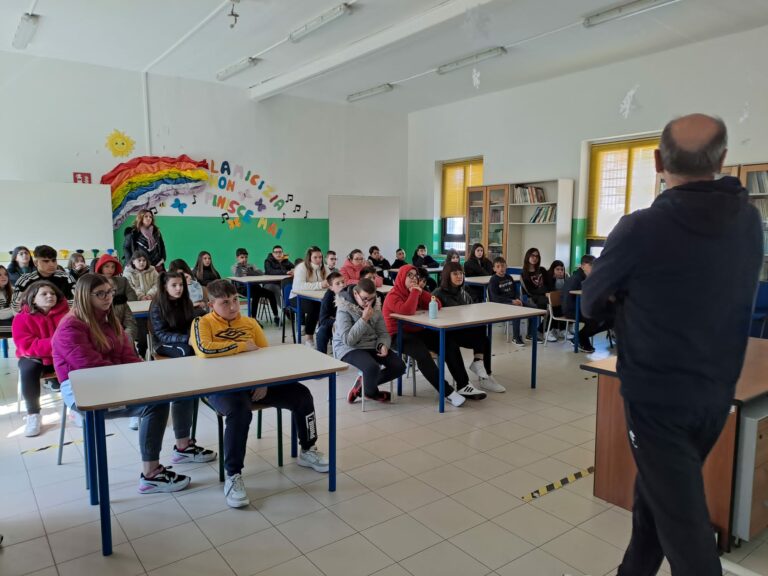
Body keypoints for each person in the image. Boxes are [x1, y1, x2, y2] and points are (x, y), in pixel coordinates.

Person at [582, 114, 763, 576]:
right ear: (722, 160)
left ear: (658, 161)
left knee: (687, 536)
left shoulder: (640, 228)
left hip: (658, 402)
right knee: (656, 502)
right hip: (715, 395)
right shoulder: (749, 219)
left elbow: (588, 303)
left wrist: (626, 301)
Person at [190, 279, 329, 508]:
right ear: (211, 304)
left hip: (256, 384)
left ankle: (308, 448)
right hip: (221, 386)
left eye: (235, 300)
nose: (233, 307)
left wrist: (265, 381)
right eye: (225, 303)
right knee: (239, 412)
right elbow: (205, 350)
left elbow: (266, 356)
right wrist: (241, 347)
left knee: (302, 394)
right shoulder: (201, 323)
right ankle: (233, 475)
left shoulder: (250, 323)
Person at [52, 274, 192, 493]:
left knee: (164, 396)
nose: (107, 298)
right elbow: (90, 367)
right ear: (83, 295)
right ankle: (151, 474)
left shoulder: (108, 320)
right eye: (100, 294)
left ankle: (174, 454)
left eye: (109, 292)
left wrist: (141, 374)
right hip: (80, 389)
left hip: (112, 379)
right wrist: (129, 379)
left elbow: (128, 355)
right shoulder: (70, 326)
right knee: (153, 405)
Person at [382, 264, 486, 407]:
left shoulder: (416, 290)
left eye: (415, 275)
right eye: (409, 275)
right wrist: (414, 293)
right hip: (397, 335)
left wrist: (420, 292)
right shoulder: (393, 295)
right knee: (422, 354)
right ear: (401, 278)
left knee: (448, 343)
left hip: (417, 330)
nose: (413, 279)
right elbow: (408, 310)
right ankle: (447, 392)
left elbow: (436, 303)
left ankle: (463, 385)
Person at [149, 271, 217, 464]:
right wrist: (186, 338)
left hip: (184, 340)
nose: (179, 288)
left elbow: (191, 324)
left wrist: (195, 334)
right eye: (174, 285)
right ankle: (186, 387)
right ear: (165, 287)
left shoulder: (186, 301)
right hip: (164, 344)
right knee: (187, 351)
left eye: (181, 284)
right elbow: (161, 334)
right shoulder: (157, 305)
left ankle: (201, 386)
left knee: (201, 348)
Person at [433, 263, 503, 393]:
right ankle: (473, 372)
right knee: (467, 341)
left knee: (484, 338)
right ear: (447, 276)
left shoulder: (464, 293)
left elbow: (471, 312)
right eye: (455, 274)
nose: (459, 276)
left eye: (461, 273)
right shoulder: (438, 293)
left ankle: (484, 374)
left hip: (461, 331)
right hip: (447, 333)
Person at [334, 278, 405, 403]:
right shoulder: (343, 308)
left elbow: (383, 332)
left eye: (372, 298)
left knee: (399, 366)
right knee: (371, 368)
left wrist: (383, 344)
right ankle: (371, 393)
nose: (369, 302)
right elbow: (348, 340)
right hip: (349, 348)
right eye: (365, 298)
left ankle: (363, 386)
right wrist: (364, 319)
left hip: (371, 344)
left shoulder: (375, 305)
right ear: (356, 294)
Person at [11, 281, 69, 436]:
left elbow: (72, 338)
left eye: (52, 293)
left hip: (60, 356)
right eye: (44, 294)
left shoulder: (68, 315)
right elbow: (27, 346)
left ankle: (75, 407)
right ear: (33, 298)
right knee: (28, 369)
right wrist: (56, 343)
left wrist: (57, 345)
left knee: (77, 364)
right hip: (34, 357)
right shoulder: (21, 318)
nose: (50, 296)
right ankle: (33, 414)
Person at [562, 255, 610, 353]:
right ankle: (581, 337)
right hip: (572, 309)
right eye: (592, 265)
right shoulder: (575, 278)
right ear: (583, 266)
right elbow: (569, 300)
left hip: (582, 307)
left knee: (610, 318)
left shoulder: (589, 278)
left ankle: (580, 337)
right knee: (595, 318)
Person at [11, 245, 76, 313]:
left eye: (54, 260)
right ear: (36, 262)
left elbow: (77, 301)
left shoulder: (66, 277)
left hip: (62, 316)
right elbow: (15, 305)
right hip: (34, 318)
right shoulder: (25, 279)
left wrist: (47, 306)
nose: (51, 264)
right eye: (46, 261)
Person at [94, 253, 138, 343]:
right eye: (107, 266)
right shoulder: (94, 285)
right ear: (101, 267)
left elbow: (132, 297)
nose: (110, 269)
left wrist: (126, 339)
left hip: (123, 321)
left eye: (113, 267)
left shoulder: (123, 281)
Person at [290, 246, 328, 347]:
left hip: (316, 297)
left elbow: (330, 280)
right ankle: (309, 338)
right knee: (314, 307)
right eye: (315, 257)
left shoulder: (325, 267)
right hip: (297, 297)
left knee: (331, 304)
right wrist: (320, 285)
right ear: (309, 258)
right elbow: (299, 286)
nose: (319, 260)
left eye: (320, 257)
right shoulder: (301, 267)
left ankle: (324, 332)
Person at [231, 248, 279, 324]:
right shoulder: (235, 267)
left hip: (255, 287)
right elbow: (238, 275)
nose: (244, 259)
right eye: (242, 257)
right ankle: (253, 319)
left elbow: (261, 273)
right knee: (256, 294)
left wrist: (249, 272)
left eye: (246, 257)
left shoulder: (251, 265)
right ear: (237, 258)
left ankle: (276, 316)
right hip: (243, 289)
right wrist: (242, 266)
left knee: (271, 294)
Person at [520, 247, 554, 342]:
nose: (534, 258)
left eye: (537, 256)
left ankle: (543, 330)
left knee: (556, 305)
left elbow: (549, 284)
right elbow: (530, 291)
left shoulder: (542, 270)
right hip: (532, 298)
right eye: (532, 255)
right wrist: (544, 292)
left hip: (544, 296)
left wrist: (546, 292)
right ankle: (532, 333)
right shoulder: (524, 274)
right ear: (528, 257)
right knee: (549, 306)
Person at [316, 271, 345, 354]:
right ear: (331, 287)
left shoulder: (348, 293)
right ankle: (321, 357)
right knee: (322, 332)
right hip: (335, 324)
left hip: (348, 324)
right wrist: (337, 321)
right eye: (337, 283)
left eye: (343, 282)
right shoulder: (328, 297)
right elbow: (323, 320)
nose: (342, 285)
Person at [546, 259, 570, 340]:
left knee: (567, 307)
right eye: (557, 269)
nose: (560, 271)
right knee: (556, 308)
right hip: (550, 302)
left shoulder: (566, 277)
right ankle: (548, 331)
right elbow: (549, 292)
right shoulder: (549, 278)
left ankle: (561, 330)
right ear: (553, 270)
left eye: (562, 269)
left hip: (561, 301)